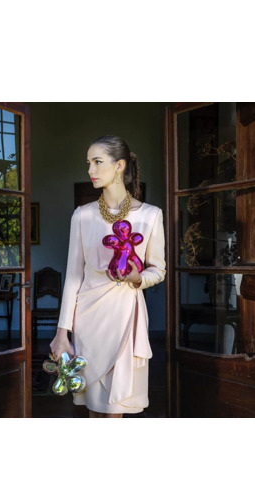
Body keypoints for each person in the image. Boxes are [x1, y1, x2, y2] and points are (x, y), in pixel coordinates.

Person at [49, 135, 166, 418]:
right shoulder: (82, 215)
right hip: (88, 319)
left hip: (126, 317)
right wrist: (62, 333)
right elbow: (73, 277)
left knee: (115, 409)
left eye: (98, 162)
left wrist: (138, 278)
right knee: (93, 408)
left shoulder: (150, 215)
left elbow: (158, 270)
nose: (90, 170)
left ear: (119, 166)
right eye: (88, 163)